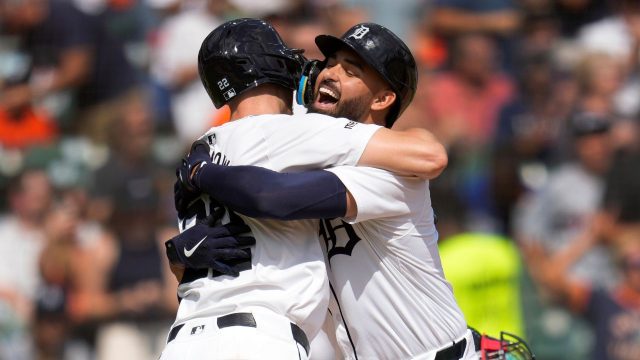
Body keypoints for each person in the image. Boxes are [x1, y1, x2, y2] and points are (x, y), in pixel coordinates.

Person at [172, 22, 477, 359]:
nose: (330, 74)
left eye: (350, 71)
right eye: (329, 63)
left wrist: (203, 174)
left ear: (383, 98)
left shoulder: (390, 173)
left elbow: (275, 197)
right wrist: (182, 249)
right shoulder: (308, 143)